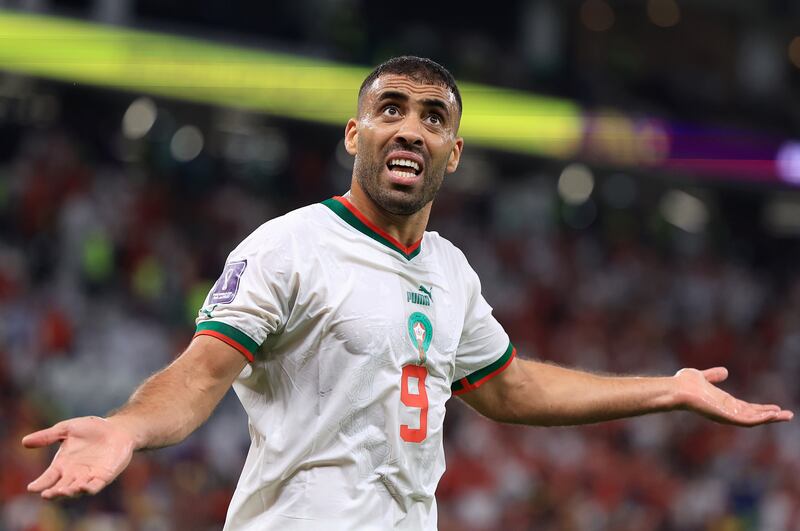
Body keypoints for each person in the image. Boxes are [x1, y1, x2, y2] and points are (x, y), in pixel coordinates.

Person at [23, 56, 793, 530]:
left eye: (432, 118)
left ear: (452, 153)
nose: (410, 129)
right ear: (354, 134)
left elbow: (510, 386)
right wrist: (126, 427)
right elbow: (200, 374)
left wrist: (670, 388)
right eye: (390, 108)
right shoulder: (289, 245)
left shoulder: (451, 270)